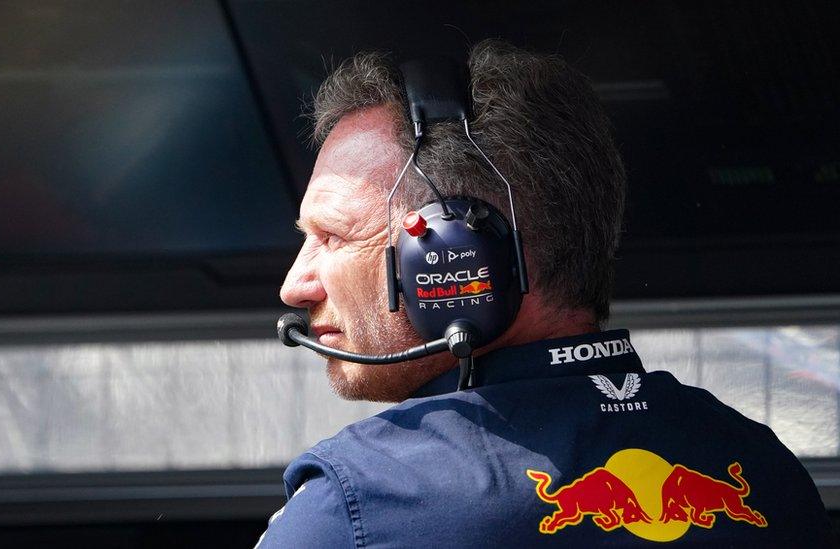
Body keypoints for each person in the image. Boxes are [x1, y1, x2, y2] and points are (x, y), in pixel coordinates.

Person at [258, 40, 832, 547]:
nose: (295, 285)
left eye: (332, 237)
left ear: (457, 257)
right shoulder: (766, 472)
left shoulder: (360, 505)